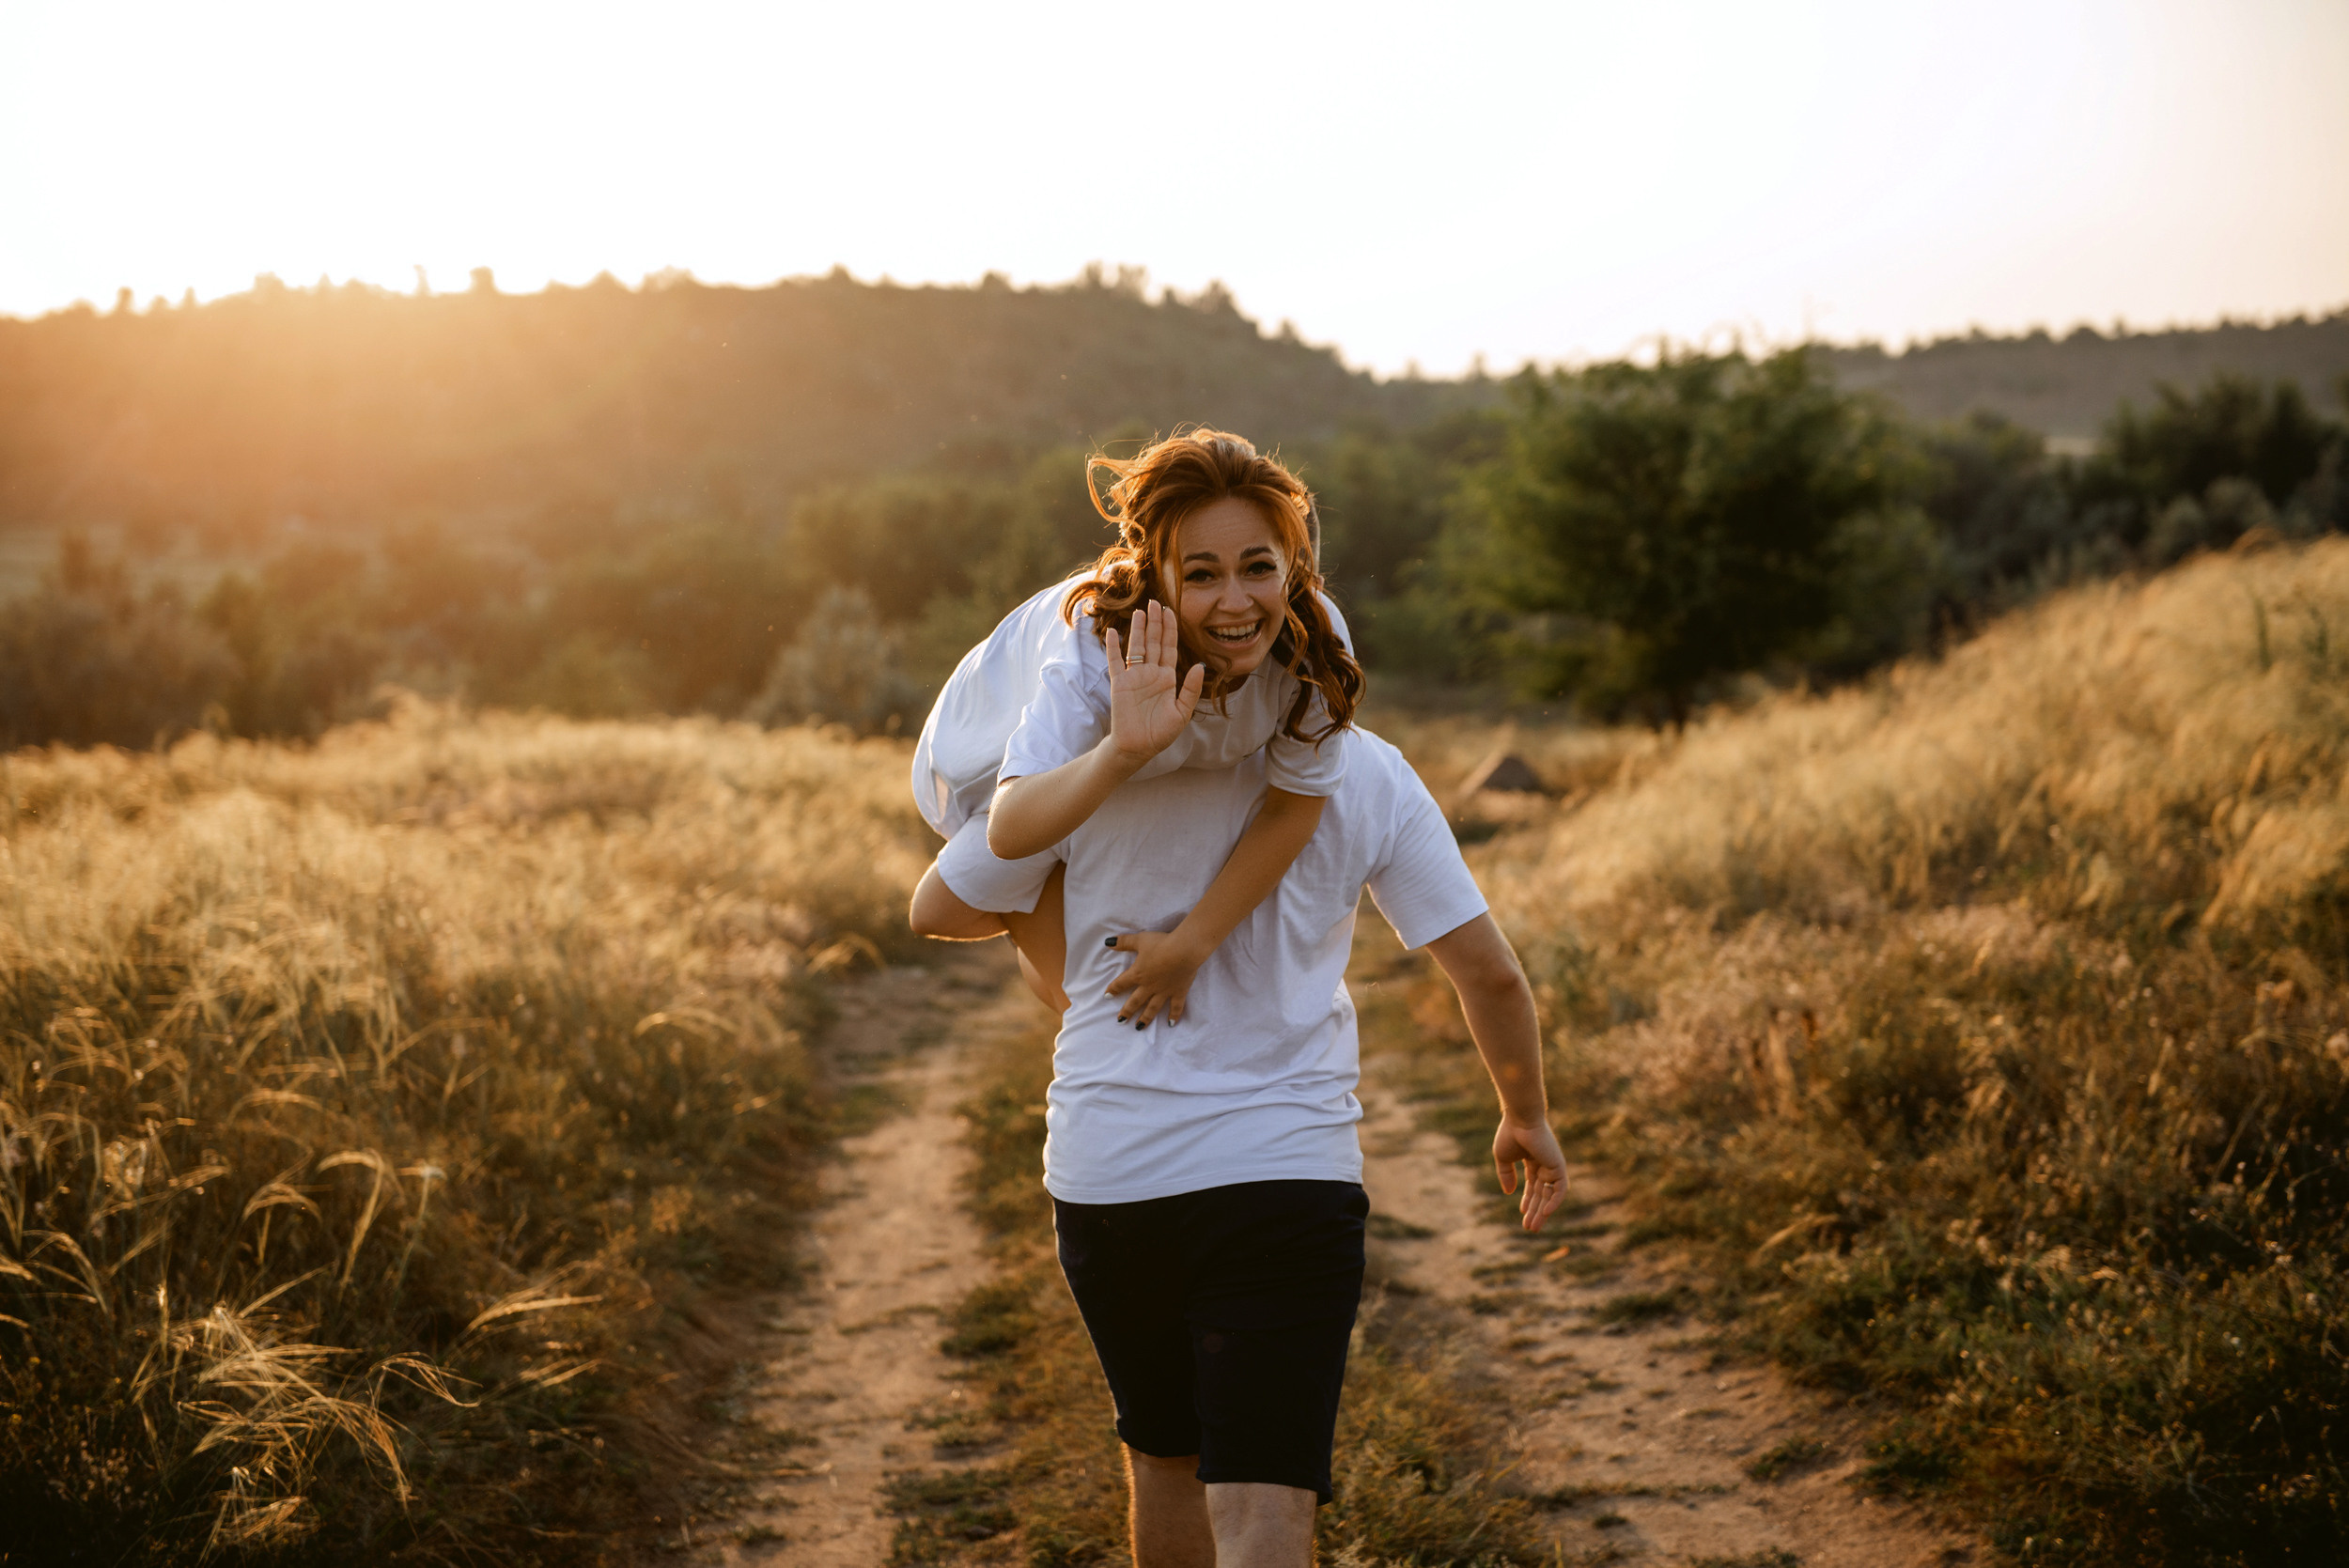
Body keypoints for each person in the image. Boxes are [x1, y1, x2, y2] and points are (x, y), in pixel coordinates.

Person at [910, 722, 1569, 1568]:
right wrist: (1525, 1113)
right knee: (1266, 1499)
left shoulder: (1091, 763)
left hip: (1114, 1170)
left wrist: (1056, 949)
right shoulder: (1366, 769)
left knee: (1166, 1460)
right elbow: (1490, 972)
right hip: (1287, 1171)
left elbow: (938, 906)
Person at [909, 430, 1361, 1020]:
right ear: (1159, 580)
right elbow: (1010, 829)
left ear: (1292, 568)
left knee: (1112, 1018)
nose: (1236, 602)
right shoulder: (1098, 646)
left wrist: (1190, 945)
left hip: (1155, 744)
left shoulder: (1314, 636)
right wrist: (1120, 753)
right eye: (1201, 575)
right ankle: (1051, 930)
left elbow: (1295, 804)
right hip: (1002, 745)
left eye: (1258, 567)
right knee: (950, 914)